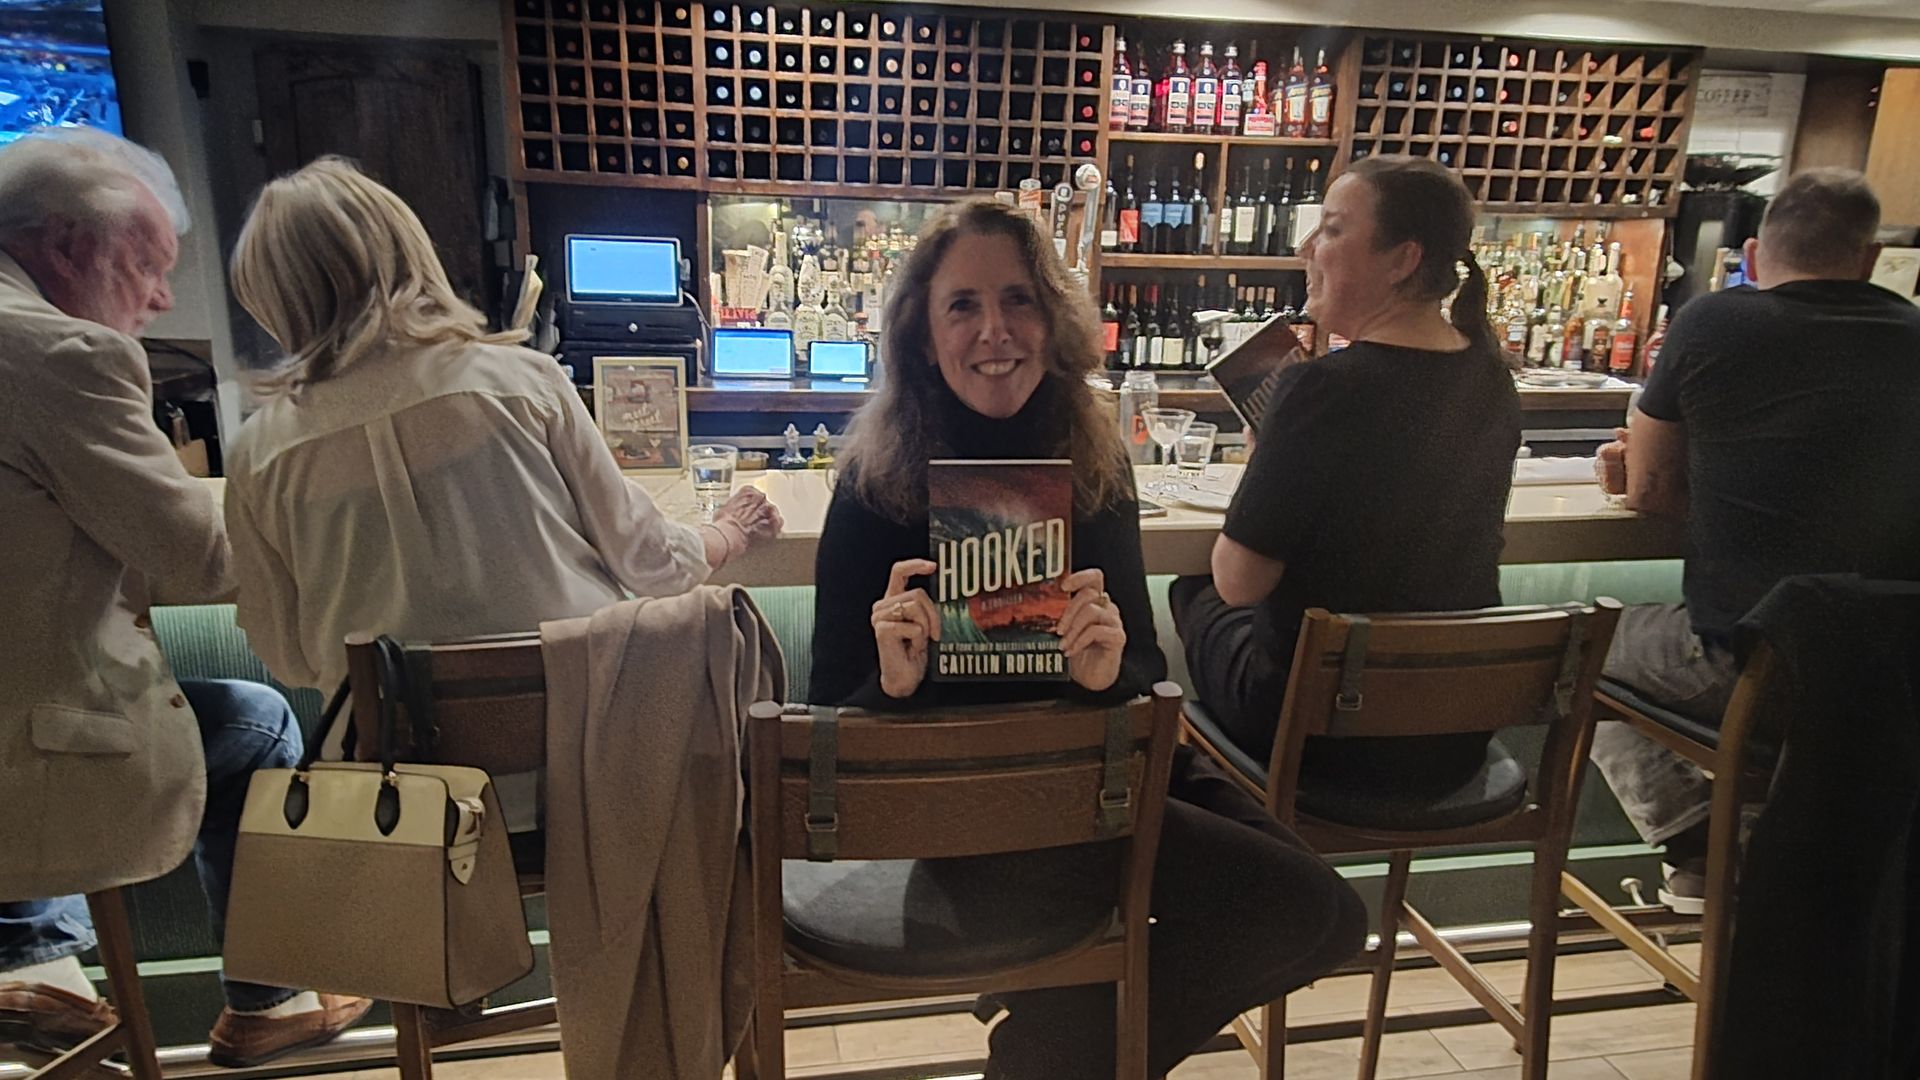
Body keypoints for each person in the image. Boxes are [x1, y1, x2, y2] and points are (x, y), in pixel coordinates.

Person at [810, 199, 1365, 1080]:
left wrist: (1110, 669)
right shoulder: (875, 485)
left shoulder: (1095, 458)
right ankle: (1053, 1044)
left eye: (1019, 299)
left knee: (1331, 917)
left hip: (1111, 771)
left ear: (1054, 318)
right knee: (1301, 910)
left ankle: (1047, 1042)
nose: (995, 330)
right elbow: (830, 718)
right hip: (983, 800)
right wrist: (894, 684)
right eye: (963, 305)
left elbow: (1142, 667)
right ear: (922, 335)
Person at [0, 128, 369, 1068]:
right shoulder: (62, 352)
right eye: (149, 266)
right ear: (71, 248)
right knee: (257, 720)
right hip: (18, 753)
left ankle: (29, 945)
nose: (165, 298)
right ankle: (258, 994)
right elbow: (198, 559)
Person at [222, 158, 781, 760]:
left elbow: (288, 656)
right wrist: (726, 533)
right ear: (408, 251)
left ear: (270, 296)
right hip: (580, 771)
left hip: (396, 798)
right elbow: (649, 564)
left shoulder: (260, 451)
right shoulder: (522, 383)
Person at [1590, 168, 1920, 909]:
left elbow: (1648, 491)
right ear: (1868, 260)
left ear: (1753, 254)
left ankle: (1700, 848)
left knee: (1580, 647)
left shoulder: (1712, 322)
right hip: (1891, 685)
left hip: (1750, 668)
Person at [1168, 155, 1522, 797]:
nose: (1308, 247)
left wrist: (1270, 453)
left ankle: (1235, 854)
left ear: (1402, 260)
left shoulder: (1322, 388)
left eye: (1331, 229)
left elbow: (1240, 582)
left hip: (1324, 736)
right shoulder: (1492, 378)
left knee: (1192, 590)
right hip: (1453, 734)